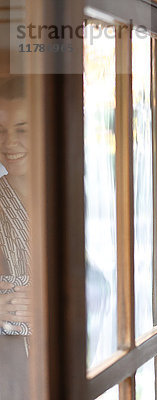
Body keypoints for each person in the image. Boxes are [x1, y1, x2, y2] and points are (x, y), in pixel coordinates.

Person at [0, 77, 31, 400]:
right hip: (8, 372)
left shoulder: (79, 197)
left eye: (22, 129)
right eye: (1, 130)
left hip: (79, 361)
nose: (10, 142)